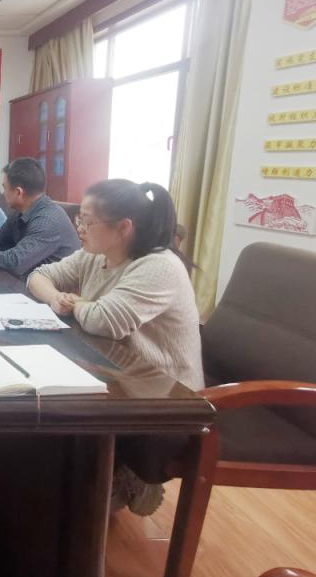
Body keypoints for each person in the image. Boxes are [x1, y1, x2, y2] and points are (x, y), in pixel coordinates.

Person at [27, 179, 204, 516]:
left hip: (164, 397)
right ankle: (107, 472)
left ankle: (134, 478)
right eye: (79, 218)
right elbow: (39, 276)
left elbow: (104, 320)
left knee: (62, 506)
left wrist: (77, 303)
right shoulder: (96, 255)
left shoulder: (159, 266)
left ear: (124, 227)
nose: (79, 228)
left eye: (88, 221)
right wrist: (56, 298)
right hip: (115, 373)